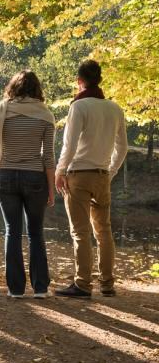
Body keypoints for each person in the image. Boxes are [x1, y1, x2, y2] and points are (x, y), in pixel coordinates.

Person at [0, 70, 56, 298]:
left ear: (13, 87)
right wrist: (51, 189)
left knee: (12, 231)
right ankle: (40, 288)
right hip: (35, 178)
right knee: (36, 233)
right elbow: (48, 157)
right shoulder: (45, 115)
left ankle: (16, 289)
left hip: (7, 177)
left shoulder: (0, 111)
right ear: (37, 89)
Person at [55, 59, 128, 298]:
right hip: (102, 176)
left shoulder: (79, 107)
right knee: (104, 231)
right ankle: (107, 284)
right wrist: (111, 171)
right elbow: (123, 147)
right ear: (99, 79)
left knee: (80, 232)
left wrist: (60, 171)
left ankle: (83, 284)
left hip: (79, 176)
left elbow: (70, 144)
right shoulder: (115, 108)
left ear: (79, 81)